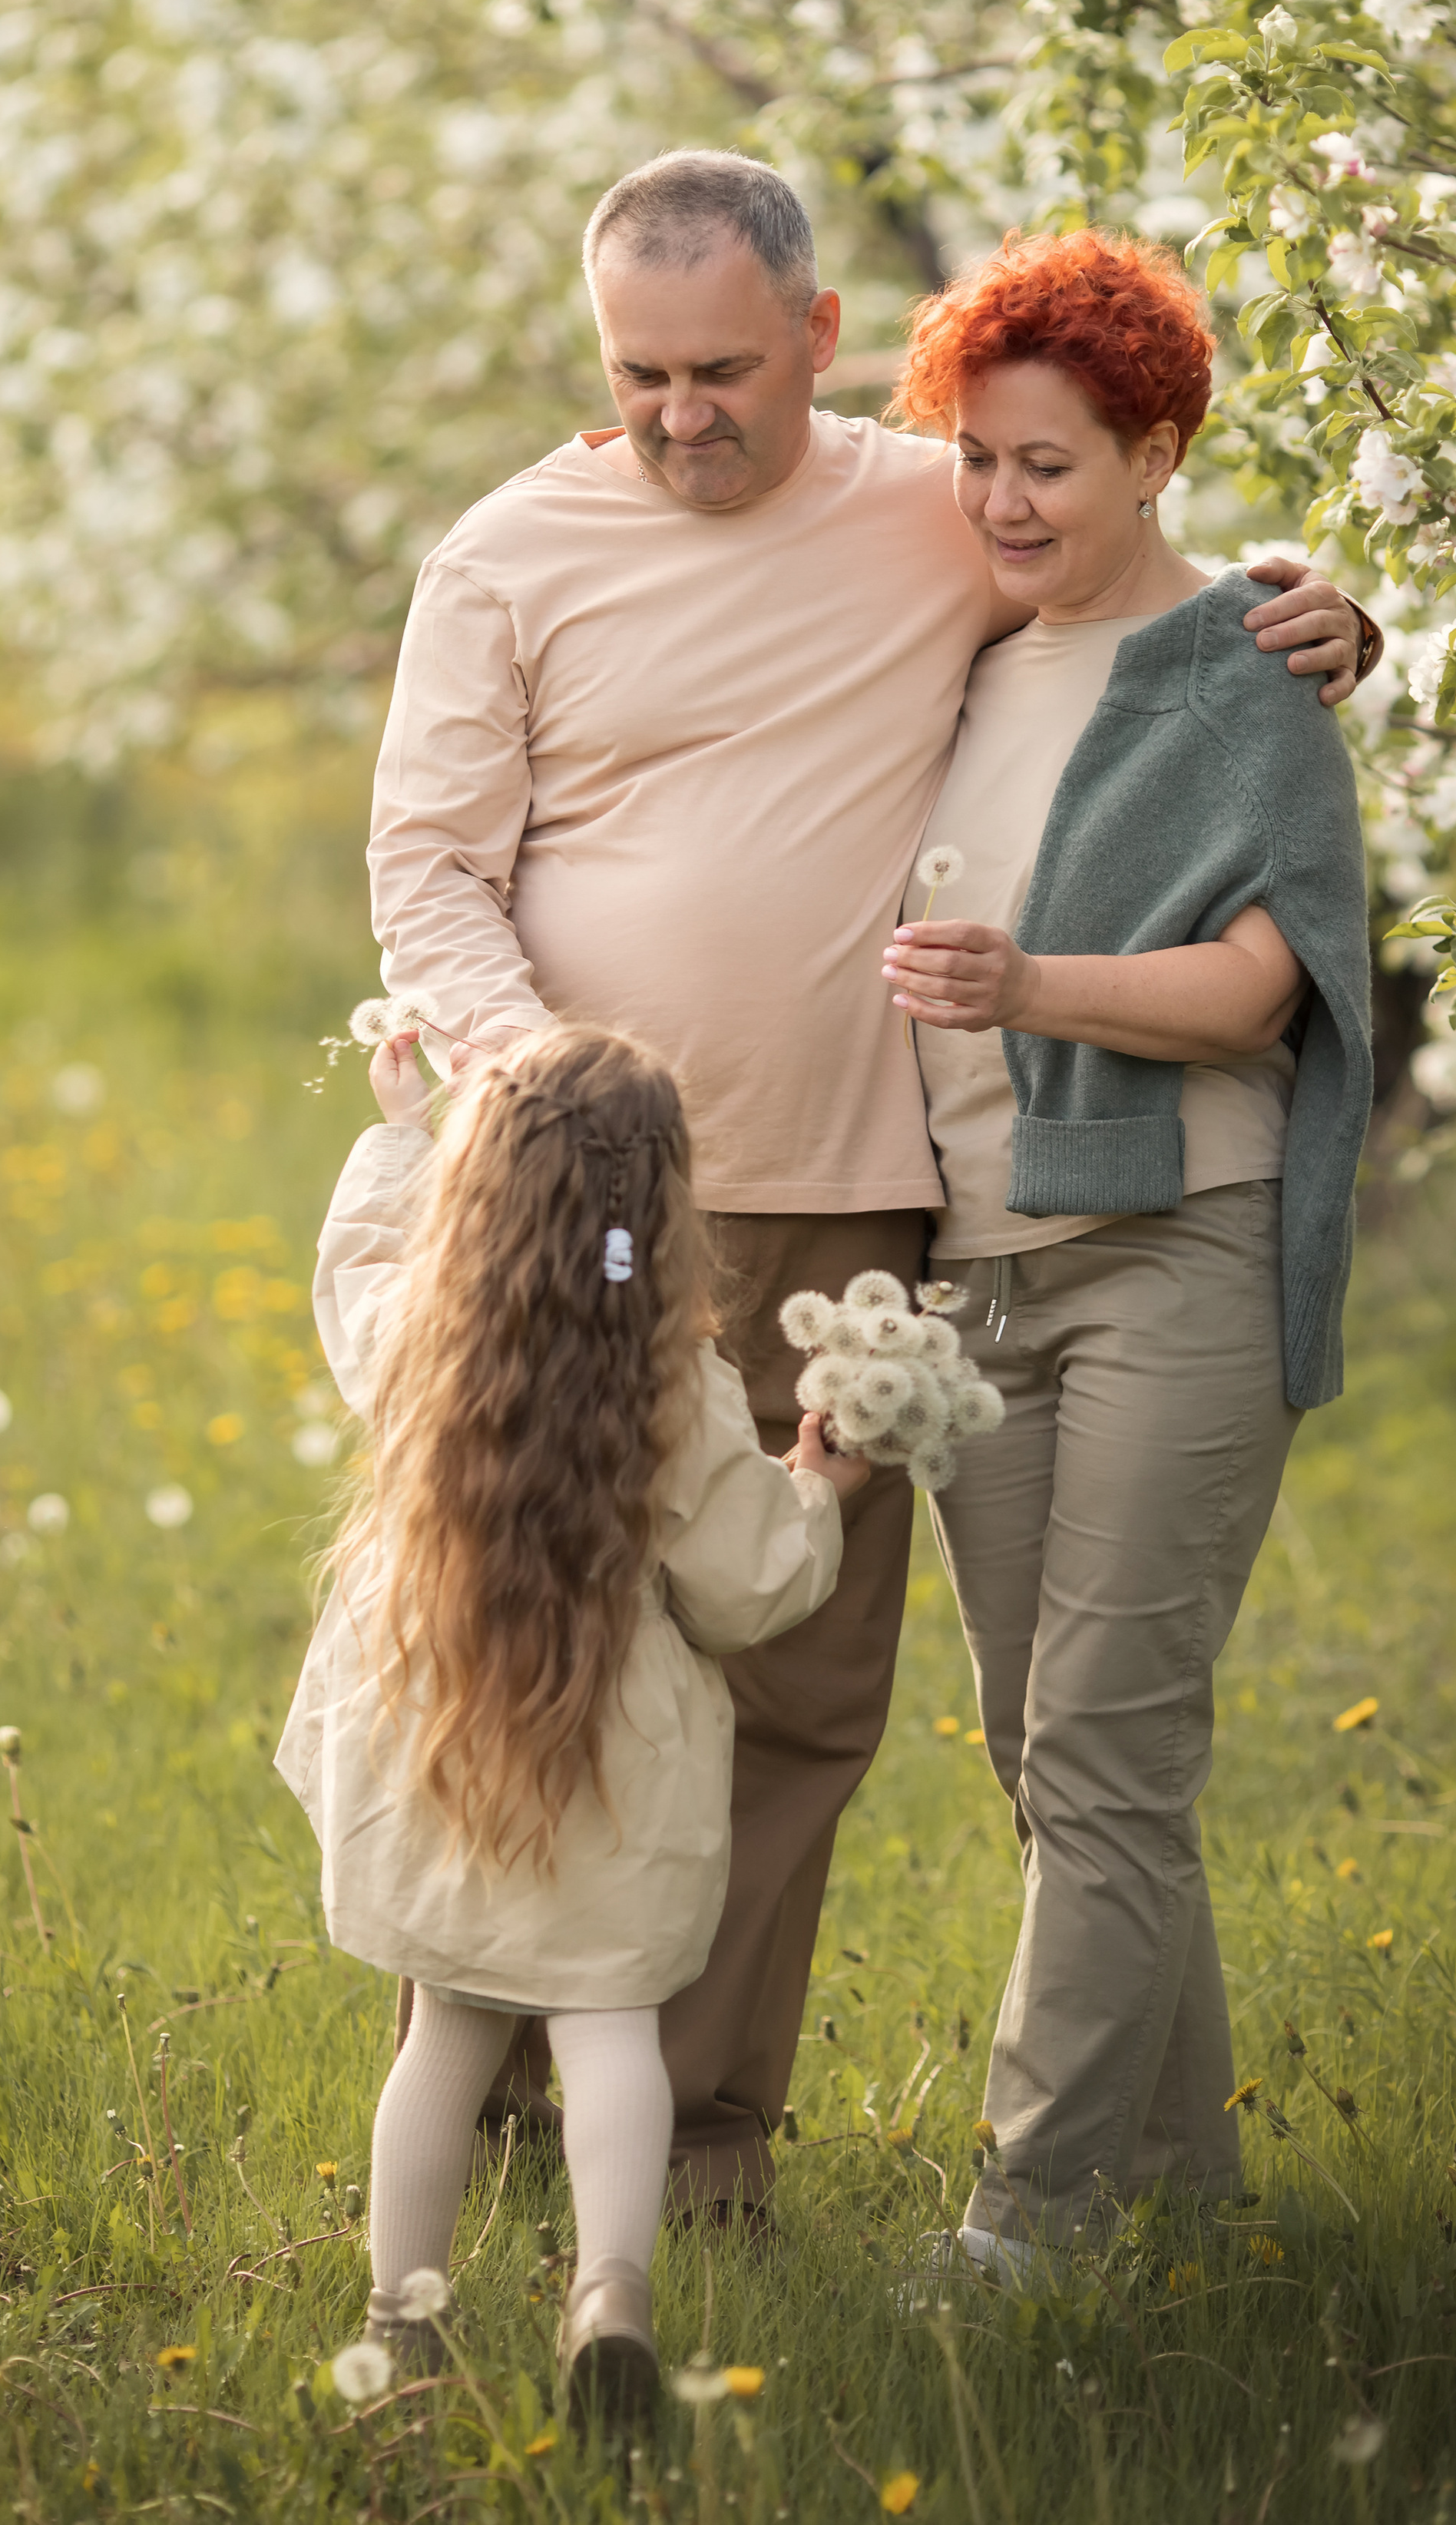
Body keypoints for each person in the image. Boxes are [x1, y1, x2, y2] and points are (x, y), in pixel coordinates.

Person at [367, 148, 1379, 2222]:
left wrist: (1325, 607)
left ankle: (702, 2135)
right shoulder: (507, 554)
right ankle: (480, 2099)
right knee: (527, 1628)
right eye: (640, 373)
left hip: (848, 1204)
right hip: (570, 1200)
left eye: (723, 370)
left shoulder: (935, 507)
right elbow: (429, 871)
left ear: (819, 339)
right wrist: (535, 1081)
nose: (681, 414)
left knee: (792, 1683)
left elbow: (1138, 584)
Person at [879, 227, 1373, 2270]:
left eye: (1050, 466)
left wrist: (1027, 985)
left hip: (1177, 1239)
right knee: (1047, 1750)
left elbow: (1260, 989)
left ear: (1156, 456)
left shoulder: (1241, 667)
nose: (1002, 503)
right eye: (978, 459)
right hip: (975, 1263)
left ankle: (1029, 2216)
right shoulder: (961, 650)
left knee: (1101, 1744)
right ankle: (1180, 2195)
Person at [273, 1021, 865, 2416]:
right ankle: (609, 2297)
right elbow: (743, 1587)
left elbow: (357, 1276)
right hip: (618, 1768)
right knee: (610, 2033)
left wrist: (397, 1136)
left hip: (447, 1743)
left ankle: (403, 2322)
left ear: (483, 1184)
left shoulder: (426, 1338)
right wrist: (817, 1487)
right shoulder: (679, 1387)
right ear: (663, 1204)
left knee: (445, 2038)